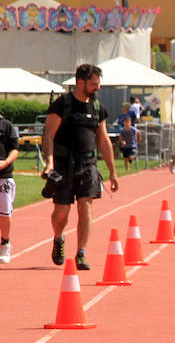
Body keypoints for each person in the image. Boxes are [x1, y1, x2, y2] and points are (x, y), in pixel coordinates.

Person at [42, 63, 119, 270]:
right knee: (61, 212)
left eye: (98, 83)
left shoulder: (97, 107)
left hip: (88, 165)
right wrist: (49, 162)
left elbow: (103, 141)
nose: (98, 88)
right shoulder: (62, 105)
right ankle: (58, 238)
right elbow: (48, 135)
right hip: (63, 165)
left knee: (86, 206)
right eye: (94, 84)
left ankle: (81, 253)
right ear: (80, 82)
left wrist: (112, 171)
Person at [0, 109, 18, 264]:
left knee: (4, 214)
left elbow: (15, 149)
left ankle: (5, 242)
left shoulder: (6, 126)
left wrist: (5, 162)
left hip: (3, 177)